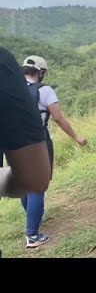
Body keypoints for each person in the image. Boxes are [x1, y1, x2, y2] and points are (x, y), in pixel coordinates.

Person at [21, 55, 88, 248]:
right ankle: (32, 235)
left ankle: (33, 217)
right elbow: (58, 118)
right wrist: (76, 137)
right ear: (40, 72)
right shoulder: (44, 90)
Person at [0, 48, 51, 200]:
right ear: (40, 72)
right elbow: (34, 179)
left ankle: (31, 224)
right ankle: (33, 224)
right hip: (32, 140)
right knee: (33, 179)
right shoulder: (4, 68)